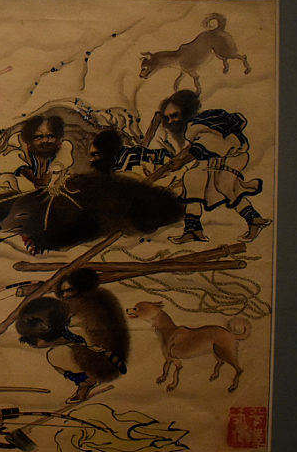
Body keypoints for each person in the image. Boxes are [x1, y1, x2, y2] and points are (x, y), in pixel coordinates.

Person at [152, 90, 271, 244]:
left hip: (231, 157)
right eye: (168, 118)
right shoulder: (195, 125)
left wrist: (182, 161)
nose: (171, 121)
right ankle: (193, 230)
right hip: (213, 157)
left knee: (225, 187)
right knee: (192, 181)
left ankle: (254, 220)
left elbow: (205, 145)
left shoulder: (200, 123)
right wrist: (177, 160)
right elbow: (194, 147)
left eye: (174, 115)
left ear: (186, 110)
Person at [18, 269, 130, 403]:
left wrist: (51, 340)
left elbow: (81, 334)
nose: (65, 295)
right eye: (63, 292)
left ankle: (86, 382)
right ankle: (87, 382)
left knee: (54, 355)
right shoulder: (85, 304)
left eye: (70, 290)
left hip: (99, 358)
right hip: (96, 350)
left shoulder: (85, 309)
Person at [0, 114, 73, 196]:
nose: (45, 140)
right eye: (39, 137)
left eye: (50, 136)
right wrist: (37, 181)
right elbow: (15, 164)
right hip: (14, 195)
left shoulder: (62, 147)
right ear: (30, 139)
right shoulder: (18, 143)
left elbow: (60, 166)